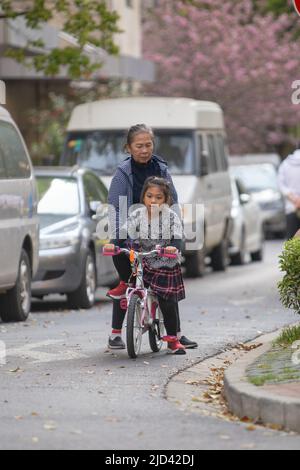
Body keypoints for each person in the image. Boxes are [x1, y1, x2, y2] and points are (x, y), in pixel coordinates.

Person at [107, 124, 198, 350]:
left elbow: (173, 200)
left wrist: (176, 239)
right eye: (139, 146)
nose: (144, 149)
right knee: (128, 283)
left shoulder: (161, 168)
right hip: (133, 231)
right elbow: (116, 208)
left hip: (161, 235)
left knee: (167, 285)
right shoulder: (123, 173)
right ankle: (116, 334)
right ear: (128, 148)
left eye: (148, 144)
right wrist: (117, 239)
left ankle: (174, 334)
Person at [110, 177, 186, 355]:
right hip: (144, 259)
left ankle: (173, 340)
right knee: (120, 252)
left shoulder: (171, 217)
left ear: (166, 200)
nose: (153, 201)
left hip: (165, 261)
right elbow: (123, 231)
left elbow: (178, 237)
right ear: (143, 197)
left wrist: (174, 246)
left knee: (167, 302)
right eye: (149, 196)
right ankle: (125, 283)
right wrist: (113, 243)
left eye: (159, 197)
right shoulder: (138, 214)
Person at [278, 145, 300, 239]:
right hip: (294, 205)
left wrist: (294, 199)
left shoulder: (285, 164)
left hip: (291, 207)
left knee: (292, 242)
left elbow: (281, 185)